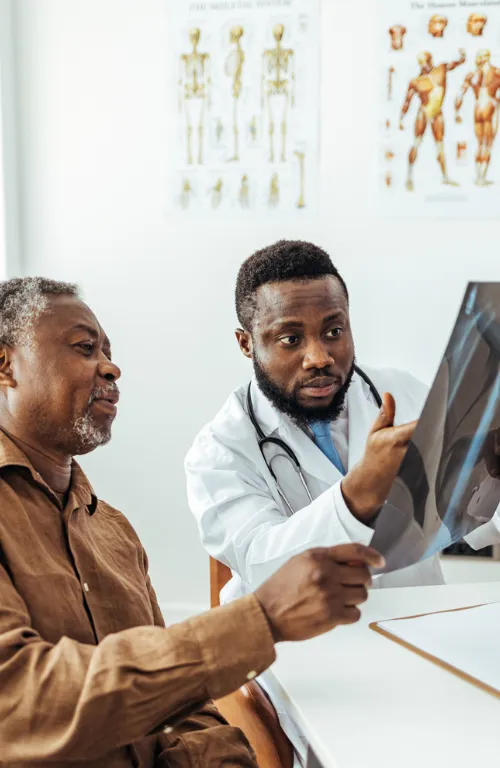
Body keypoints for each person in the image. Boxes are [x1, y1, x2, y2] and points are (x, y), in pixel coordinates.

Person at [0, 276, 383, 767]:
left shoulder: (111, 532)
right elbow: (20, 705)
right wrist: (259, 619)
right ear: (5, 366)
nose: (111, 367)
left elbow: (183, 711)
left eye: (109, 351)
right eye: (84, 347)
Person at [184, 240, 497, 762]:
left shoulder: (405, 394)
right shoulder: (219, 452)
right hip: (305, 661)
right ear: (246, 344)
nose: (320, 357)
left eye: (334, 330)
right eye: (290, 338)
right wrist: (355, 497)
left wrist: (491, 477)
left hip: (419, 631)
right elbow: (264, 566)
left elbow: (468, 522)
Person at [400, 49, 466, 191]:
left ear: (430, 60)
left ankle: (445, 177)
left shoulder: (441, 70)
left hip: (437, 113)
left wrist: (462, 58)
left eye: (426, 61)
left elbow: (454, 64)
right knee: (416, 143)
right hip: (423, 112)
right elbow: (407, 101)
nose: (424, 65)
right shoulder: (416, 81)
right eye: (421, 63)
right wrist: (401, 118)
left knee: (440, 145)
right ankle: (409, 176)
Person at [455, 50, 500, 187]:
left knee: (480, 143)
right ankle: (482, 177)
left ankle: (478, 176)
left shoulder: (472, 75)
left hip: (477, 108)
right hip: (489, 106)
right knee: (488, 144)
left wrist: (457, 112)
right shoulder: (496, 72)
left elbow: (459, 95)